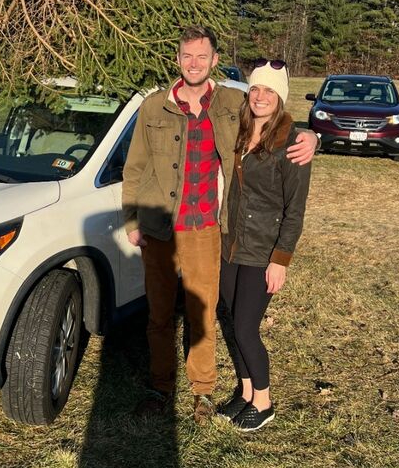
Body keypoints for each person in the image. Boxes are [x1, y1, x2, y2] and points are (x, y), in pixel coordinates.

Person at [122, 29, 317, 423]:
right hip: (159, 226)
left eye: (201, 56)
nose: (193, 63)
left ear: (214, 61)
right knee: (159, 314)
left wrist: (315, 136)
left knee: (203, 312)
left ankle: (202, 391)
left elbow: (277, 115)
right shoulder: (153, 107)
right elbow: (135, 166)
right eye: (186, 56)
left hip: (207, 226)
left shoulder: (232, 102)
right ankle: (160, 387)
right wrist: (131, 219)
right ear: (177, 60)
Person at [217, 61, 312, 433]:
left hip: (263, 250)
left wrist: (281, 260)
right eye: (255, 89)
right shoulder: (238, 131)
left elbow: (295, 210)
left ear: (281, 97)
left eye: (269, 91)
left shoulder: (292, 144)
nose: (260, 97)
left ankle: (265, 401)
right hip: (231, 244)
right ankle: (245, 393)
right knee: (231, 319)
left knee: (245, 328)